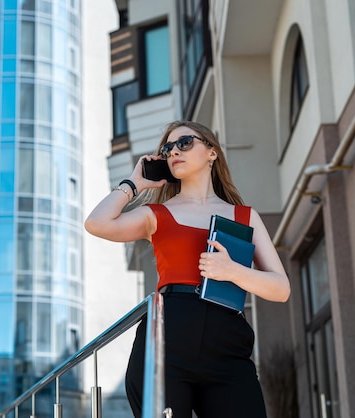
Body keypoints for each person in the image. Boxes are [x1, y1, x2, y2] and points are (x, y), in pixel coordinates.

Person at [84, 120, 290, 418]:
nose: (173, 152)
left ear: (211, 153)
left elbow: (281, 289)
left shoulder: (244, 216)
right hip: (168, 336)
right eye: (167, 148)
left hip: (227, 341)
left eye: (184, 143)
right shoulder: (156, 214)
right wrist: (134, 184)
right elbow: (97, 223)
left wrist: (232, 271)